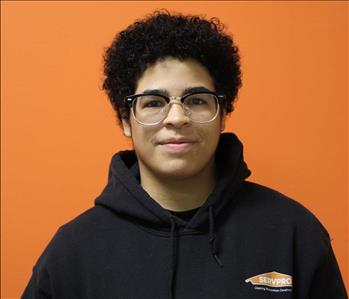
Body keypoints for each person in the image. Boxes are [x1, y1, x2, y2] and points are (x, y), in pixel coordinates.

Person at [22, 10, 347, 299]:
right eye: (153, 102)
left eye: (196, 100)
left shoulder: (294, 234)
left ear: (222, 115)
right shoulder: (73, 252)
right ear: (125, 119)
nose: (176, 117)